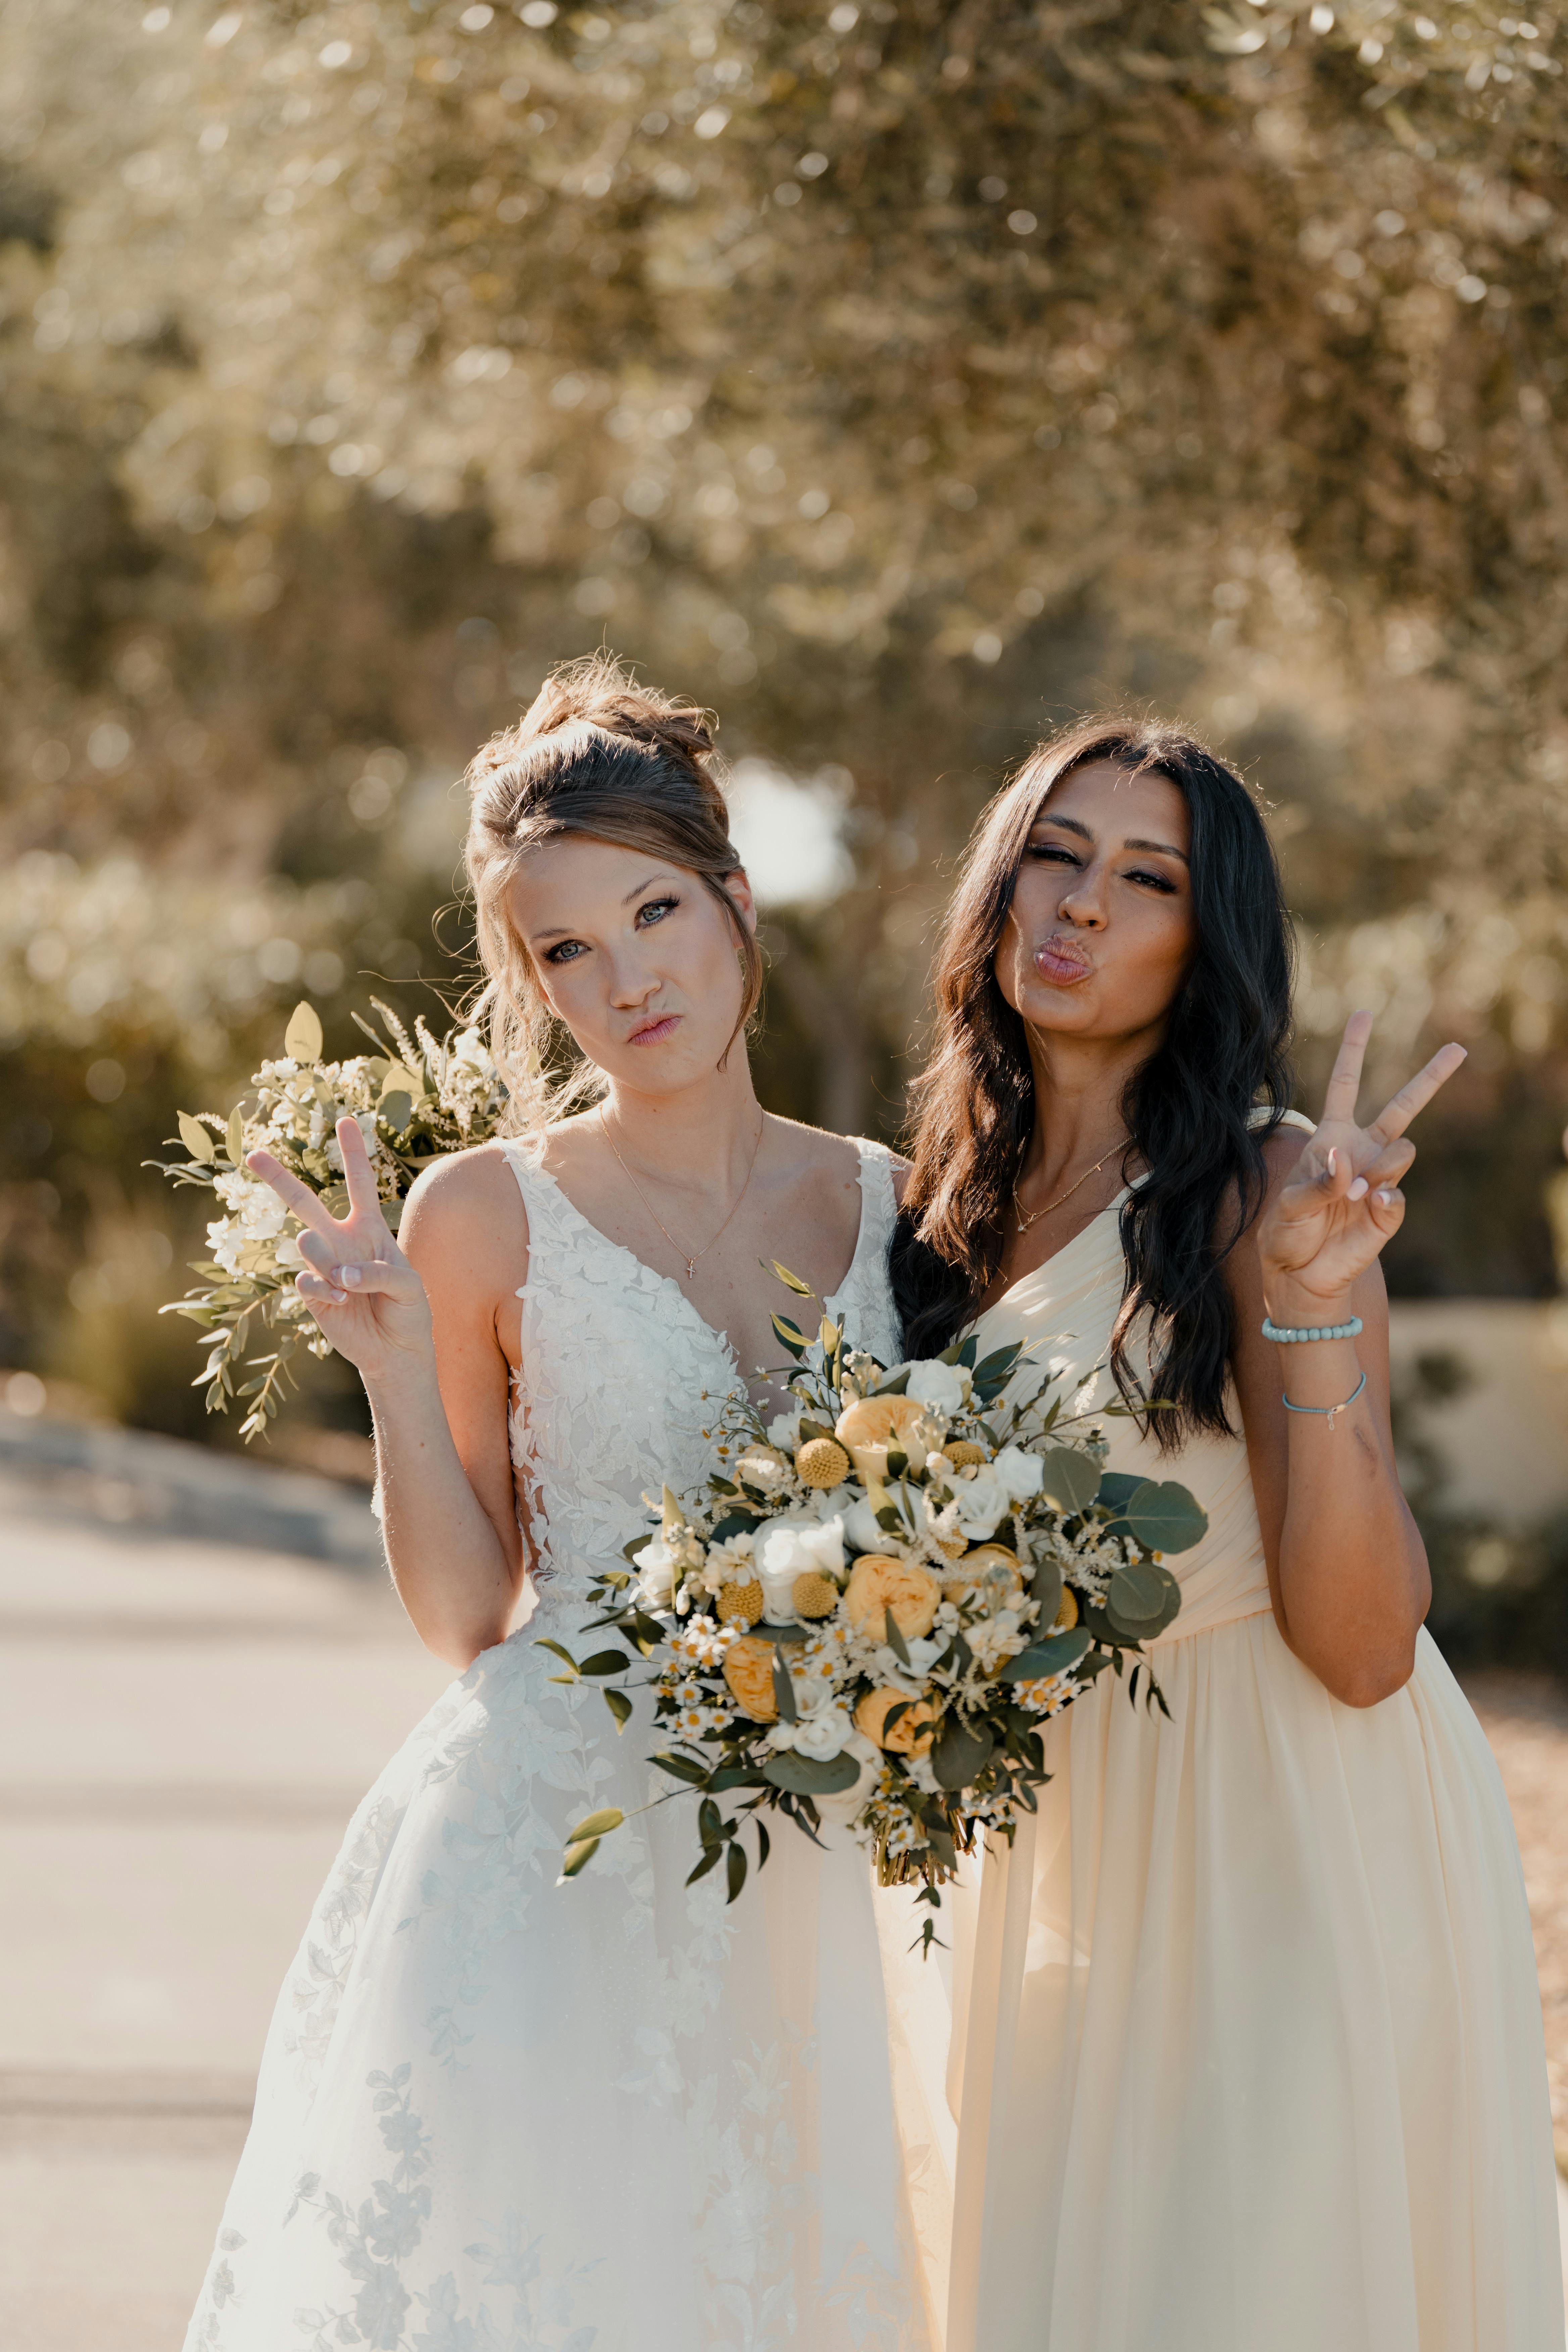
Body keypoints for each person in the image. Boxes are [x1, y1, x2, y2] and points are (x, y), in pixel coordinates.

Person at [184, 656, 933, 2351]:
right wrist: (387, 1370)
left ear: (738, 899)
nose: (627, 979)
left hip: (821, 1859)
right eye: (566, 953)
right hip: (557, 1852)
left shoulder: (901, 1204)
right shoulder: (483, 1213)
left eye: (655, 911)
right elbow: (467, 1617)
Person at [891, 719, 1564, 2352]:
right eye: (1055, 853)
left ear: (1209, 939)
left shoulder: (1266, 1192)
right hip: (1060, 1853)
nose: (1079, 908)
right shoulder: (926, 1216)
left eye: (1146, 880)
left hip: (1280, 1824)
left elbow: (1357, 1650)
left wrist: (1316, 1307)